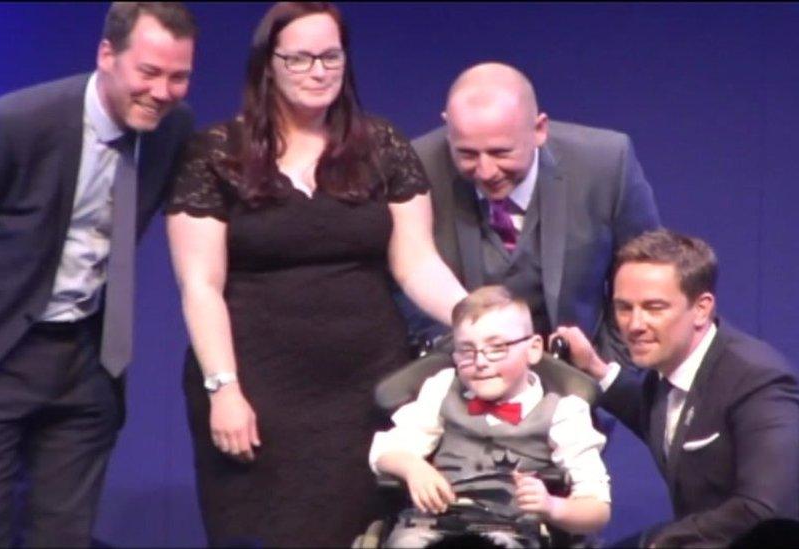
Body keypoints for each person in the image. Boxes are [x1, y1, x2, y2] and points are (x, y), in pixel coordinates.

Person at [165, 2, 467, 546]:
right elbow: (200, 285)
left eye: (330, 56)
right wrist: (223, 390)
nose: (317, 71)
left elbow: (417, 261)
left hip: (364, 391)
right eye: (299, 59)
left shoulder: (383, 146)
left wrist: (475, 320)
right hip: (254, 393)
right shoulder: (216, 154)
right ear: (268, 65)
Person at [0, 3, 195, 546]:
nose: (163, 91)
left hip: (84, 364)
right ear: (107, 55)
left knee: (63, 537)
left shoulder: (171, 133)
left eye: (179, 77)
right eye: (148, 72)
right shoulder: (8, 127)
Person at [554, 228, 799, 547]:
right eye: (624, 307)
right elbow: (656, 416)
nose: (635, 325)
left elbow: (765, 508)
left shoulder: (758, 381)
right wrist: (595, 368)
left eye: (654, 307)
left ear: (701, 308)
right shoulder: (668, 364)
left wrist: (664, 541)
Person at [407, 62, 660, 364]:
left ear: (539, 129)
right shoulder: (417, 167)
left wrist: (603, 374)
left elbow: (648, 274)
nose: (486, 172)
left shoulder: (605, 164)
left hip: (578, 377)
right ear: (448, 129)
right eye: (467, 154)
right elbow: (402, 287)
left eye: (502, 153)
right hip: (462, 374)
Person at [371, 286, 610, 548]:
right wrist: (412, 467)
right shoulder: (442, 388)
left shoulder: (563, 411)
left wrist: (553, 507)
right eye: (467, 350)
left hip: (513, 529)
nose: (481, 361)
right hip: (432, 523)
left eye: (496, 348)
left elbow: (597, 508)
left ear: (533, 349)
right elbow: (385, 451)